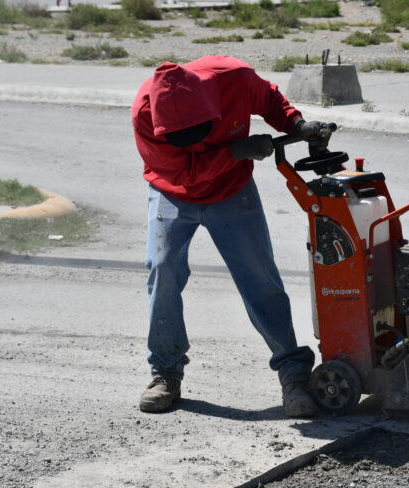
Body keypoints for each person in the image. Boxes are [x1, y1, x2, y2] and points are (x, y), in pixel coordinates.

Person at [131, 56, 331, 417]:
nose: (191, 142)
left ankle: (293, 375)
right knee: (163, 272)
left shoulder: (233, 78)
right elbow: (185, 173)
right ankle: (165, 374)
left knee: (260, 280)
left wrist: (296, 124)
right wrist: (235, 151)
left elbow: (270, 100)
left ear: (212, 105)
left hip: (232, 191)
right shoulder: (144, 112)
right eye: (181, 138)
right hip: (173, 192)